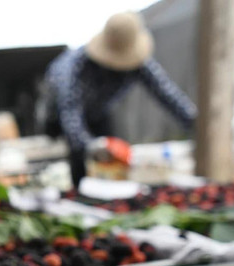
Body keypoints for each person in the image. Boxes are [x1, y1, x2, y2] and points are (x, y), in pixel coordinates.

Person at [42, 12, 196, 188]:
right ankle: (81, 192)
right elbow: (69, 112)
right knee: (80, 160)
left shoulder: (139, 63)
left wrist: (195, 122)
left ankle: (109, 192)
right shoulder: (72, 67)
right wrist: (89, 146)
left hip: (99, 112)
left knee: (112, 158)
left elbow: (167, 94)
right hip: (61, 115)